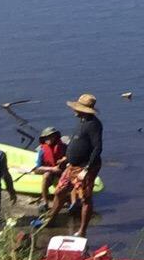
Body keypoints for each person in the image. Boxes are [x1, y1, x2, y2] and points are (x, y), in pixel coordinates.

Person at [48, 94, 102, 237]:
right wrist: (66, 158)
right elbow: (78, 143)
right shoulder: (82, 122)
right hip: (72, 165)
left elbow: (97, 148)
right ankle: (51, 219)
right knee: (60, 191)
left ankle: (82, 231)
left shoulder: (94, 125)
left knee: (85, 199)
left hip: (84, 167)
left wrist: (87, 169)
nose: (74, 110)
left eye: (77, 108)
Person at [28, 128, 68, 202]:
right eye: (46, 137)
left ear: (55, 137)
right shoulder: (42, 150)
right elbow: (39, 167)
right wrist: (53, 169)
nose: (49, 139)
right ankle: (45, 200)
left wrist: (64, 159)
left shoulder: (63, 147)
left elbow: (70, 157)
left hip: (61, 169)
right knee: (46, 175)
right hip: (49, 170)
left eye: (51, 136)